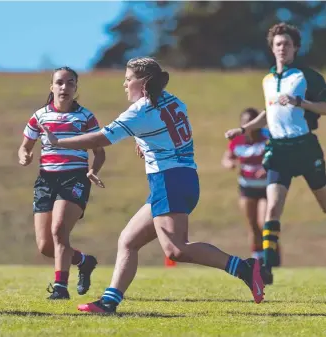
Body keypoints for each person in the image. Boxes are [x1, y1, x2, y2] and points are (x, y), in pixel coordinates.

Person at [40, 57, 269, 314]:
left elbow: (103, 137)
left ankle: (244, 268)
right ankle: (109, 302)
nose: (124, 84)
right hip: (182, 178)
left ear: (144, 82)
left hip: (169, 180)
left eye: (128, 79)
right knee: (128, 240)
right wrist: (145, 140)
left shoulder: (140, 110)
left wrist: (59, 142)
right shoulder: (172, 99)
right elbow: (170, 130)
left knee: (176, 249)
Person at [225, 23, 326, 284]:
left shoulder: (307, 76)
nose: (282, 48)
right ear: (272, 48)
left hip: (305, 147)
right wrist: (243, 128)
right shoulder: (268, 80)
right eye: (278, 44)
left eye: (287, 44)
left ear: (295, 48)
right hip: (278, 150)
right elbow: (267, 113)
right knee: (272, 210)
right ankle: (266, 269)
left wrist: (300, 102)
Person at [18, 66, 105, 300]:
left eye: (70, 83)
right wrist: (24, 156)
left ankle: (60, 288)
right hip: (46, 180)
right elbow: (25, 147)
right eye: (59, 82)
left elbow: (99, 152)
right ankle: (84, 262)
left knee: (59, 229)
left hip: (74, 177)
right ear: (52, 87)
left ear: (76, 88)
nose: (64, 87)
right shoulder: (39, 116)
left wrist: (93, 171)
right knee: (46, 246)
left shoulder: (85, 117)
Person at [222, 108, 269, 261]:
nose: (248, 126)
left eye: (251, 122)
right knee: (253, 226)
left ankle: (272, 258)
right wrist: (229, 163)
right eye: (244, 123)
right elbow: (227, 158)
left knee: (265, 224)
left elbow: (280, 156)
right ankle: (257, 260)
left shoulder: (267, 138)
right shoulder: (237, 141)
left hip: (266, 188)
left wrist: (266, 168)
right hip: (247, 188)